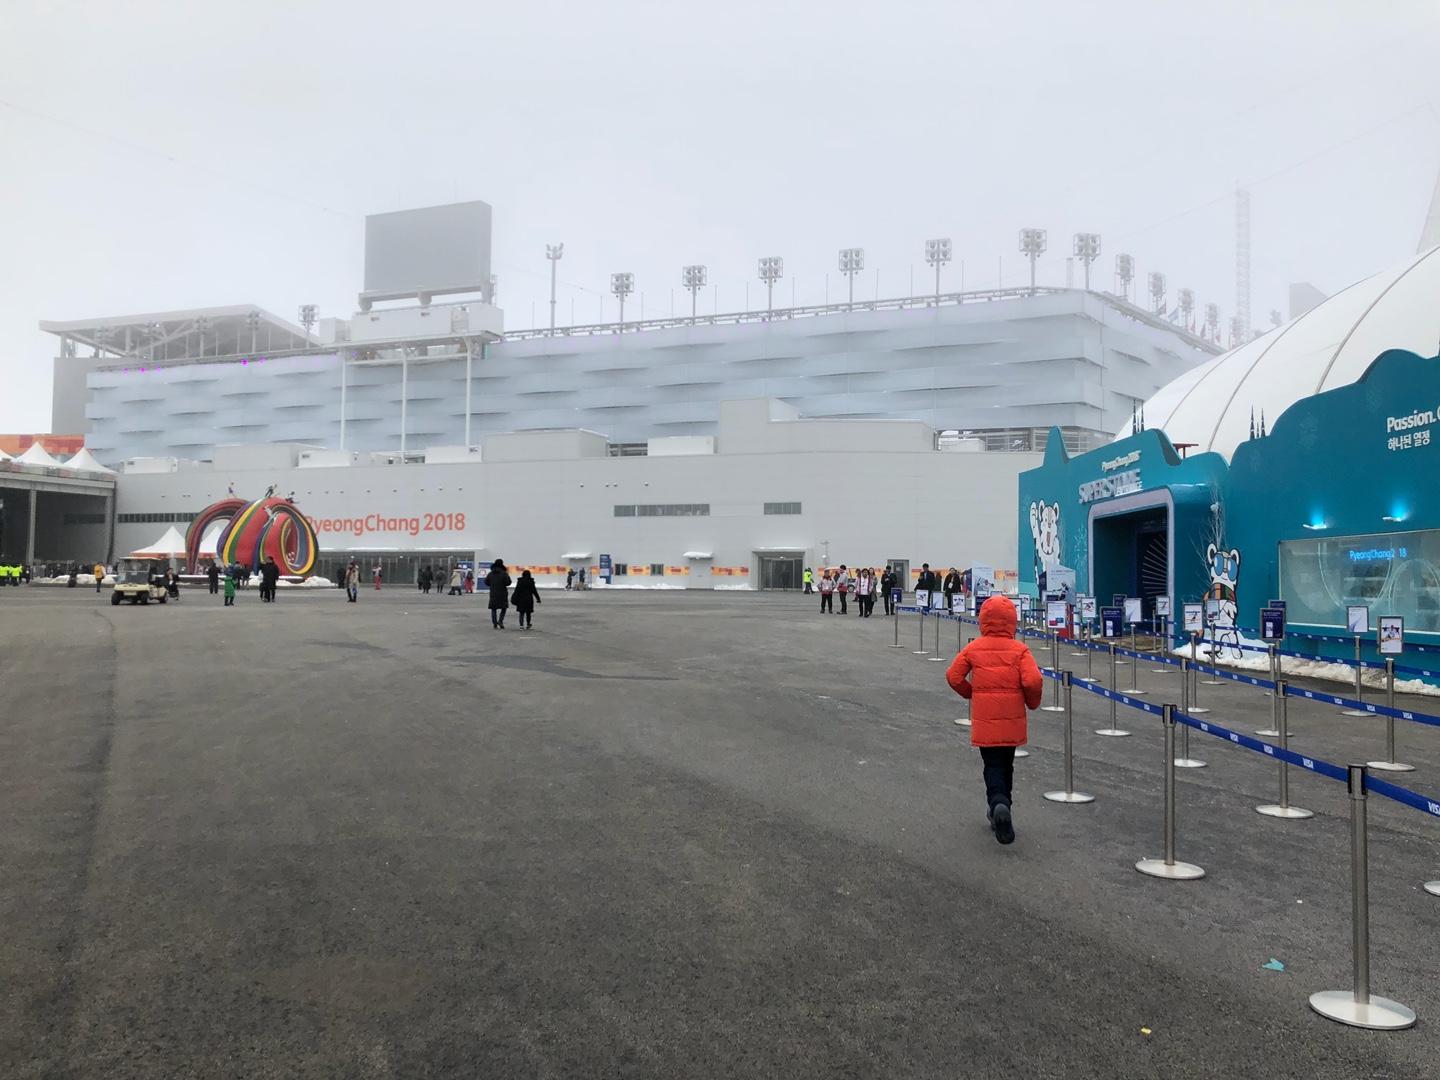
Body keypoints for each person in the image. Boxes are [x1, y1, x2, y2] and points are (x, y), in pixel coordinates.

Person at [946, 595, 1044, 845]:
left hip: (986, 720)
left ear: (984, 620)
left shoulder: (974, 647)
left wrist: (972, 694)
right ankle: (1003, 804)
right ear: (1012, 620)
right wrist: (1032, 702)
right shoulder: (1020, 649)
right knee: (1006, 764)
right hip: (1012, 719)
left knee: (991, 765)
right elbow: (1032, 680)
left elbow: (953, 676)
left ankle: (997, 803)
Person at [484, 559, 512, 629]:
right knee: (504, 608)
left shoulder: (490, 573)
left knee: (493, 609)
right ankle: (500, 620)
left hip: (493, 593)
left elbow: (486, 582)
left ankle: (494, 623)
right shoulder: (504, 573)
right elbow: (508, 582)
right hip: (502, 593)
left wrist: (492, 584)